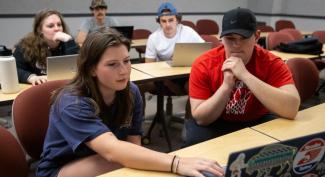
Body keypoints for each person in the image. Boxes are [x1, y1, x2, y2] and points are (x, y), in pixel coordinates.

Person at [36, 28, 224, 177]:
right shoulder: (72, 102)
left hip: (105, 158)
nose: (124, 71)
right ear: (92, 69)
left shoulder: (131, 91)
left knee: (136, 160)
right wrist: (176, 163)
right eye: (112, 64)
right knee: (125, 159)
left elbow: (134, 144)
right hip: (61, 168)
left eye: (126, 61)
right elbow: (113, 151)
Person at [185, 7, 300, 147]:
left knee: (289, 141)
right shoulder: (203, 63)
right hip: (217, 120)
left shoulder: (271, 62)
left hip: (257, 118)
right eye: (230, 38)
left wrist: (245, 75)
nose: (236, 45)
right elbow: (201, 118)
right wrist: (226, 86)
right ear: (221, 39)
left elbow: (292, 109)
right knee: (195, 143)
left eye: (244, 38)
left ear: (256, 36)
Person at [140, 2, 204, 114]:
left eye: (171, 20)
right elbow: (148, 66)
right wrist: (167, 81)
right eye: (163, 21)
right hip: (162, 76)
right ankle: (138, 122)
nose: (167, 24)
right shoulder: (154, 38)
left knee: (195, 88)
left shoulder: (188, 32)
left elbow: (205, 53)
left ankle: (189, 123)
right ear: (159, 22)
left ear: (177, 20)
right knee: (136, 87)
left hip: (186, 75)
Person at [13, 9, 79, 85]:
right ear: (40, 30)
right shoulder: (25, 45)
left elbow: (79, 67)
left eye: (59, 25)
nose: (57, 29)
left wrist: (69, 41)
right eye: (51, 26)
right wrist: (31, 77)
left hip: (63, 87)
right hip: (37, 89)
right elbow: (13, 69)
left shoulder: (69, 43)